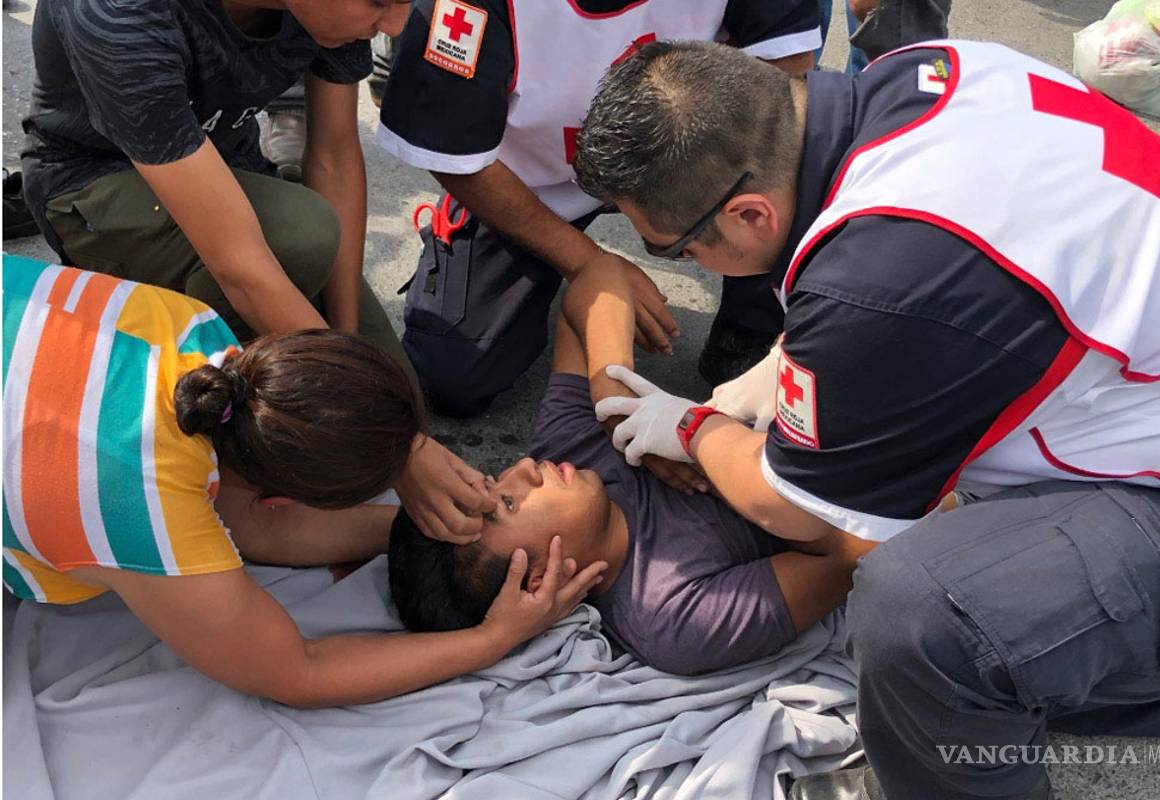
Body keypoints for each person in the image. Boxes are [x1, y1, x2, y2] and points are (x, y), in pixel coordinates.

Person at [572, 41, 1160, 799]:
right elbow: (882, 293)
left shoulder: (880, 285)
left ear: (746, 214)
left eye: (667, 247)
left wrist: (699, 430)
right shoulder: (927, 69)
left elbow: (796, 509)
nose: (673, 262)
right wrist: (754, 386)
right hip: (1159, 367)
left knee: (929, 619)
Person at [2, 255, 605, 708]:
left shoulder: (195, 333)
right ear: (281, 497)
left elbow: (248, 519)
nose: (521, 468)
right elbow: (300, 672)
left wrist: (420, 523)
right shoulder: (144, 512)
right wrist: (493, 640)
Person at [389, 267, 870, 674]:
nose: (523, 468)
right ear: (536, 583)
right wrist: (705, 442)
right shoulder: (673, 617)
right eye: (508, 504)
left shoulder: (569, 449)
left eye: (495, 481)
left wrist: (611, 397)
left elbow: (598, 277)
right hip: (875, 464)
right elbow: (855, 550)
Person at [376, 0, 823, 417]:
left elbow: (784, 87)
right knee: (455, 377)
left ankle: (751, 325)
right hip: (532, 178)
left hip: (682, 153)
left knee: (783, 173)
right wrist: (587, 262)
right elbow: (453, 155)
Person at [20, 0, 407, 357]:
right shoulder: (120, 10)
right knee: (304, 236)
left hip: (228, 168)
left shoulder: (340, 12)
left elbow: (334, 157)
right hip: (94, 182)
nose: (395, 25)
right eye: (379, 0)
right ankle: (200, 371)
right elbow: (238, 264)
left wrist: (350, 345)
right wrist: (348, 391)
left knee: (396, 392)